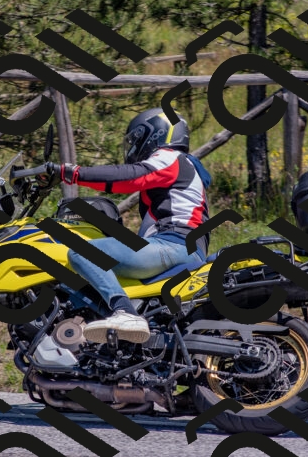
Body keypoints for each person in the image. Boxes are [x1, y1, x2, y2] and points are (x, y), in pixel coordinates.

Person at [46, 108, 211, 344]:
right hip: (180, 247)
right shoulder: (184, 165)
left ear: (156, 133)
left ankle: (125, 312)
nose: (133, 146)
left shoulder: (170, 157)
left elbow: (132, 176)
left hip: (174, 244)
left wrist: (71, 173)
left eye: (136, 139)